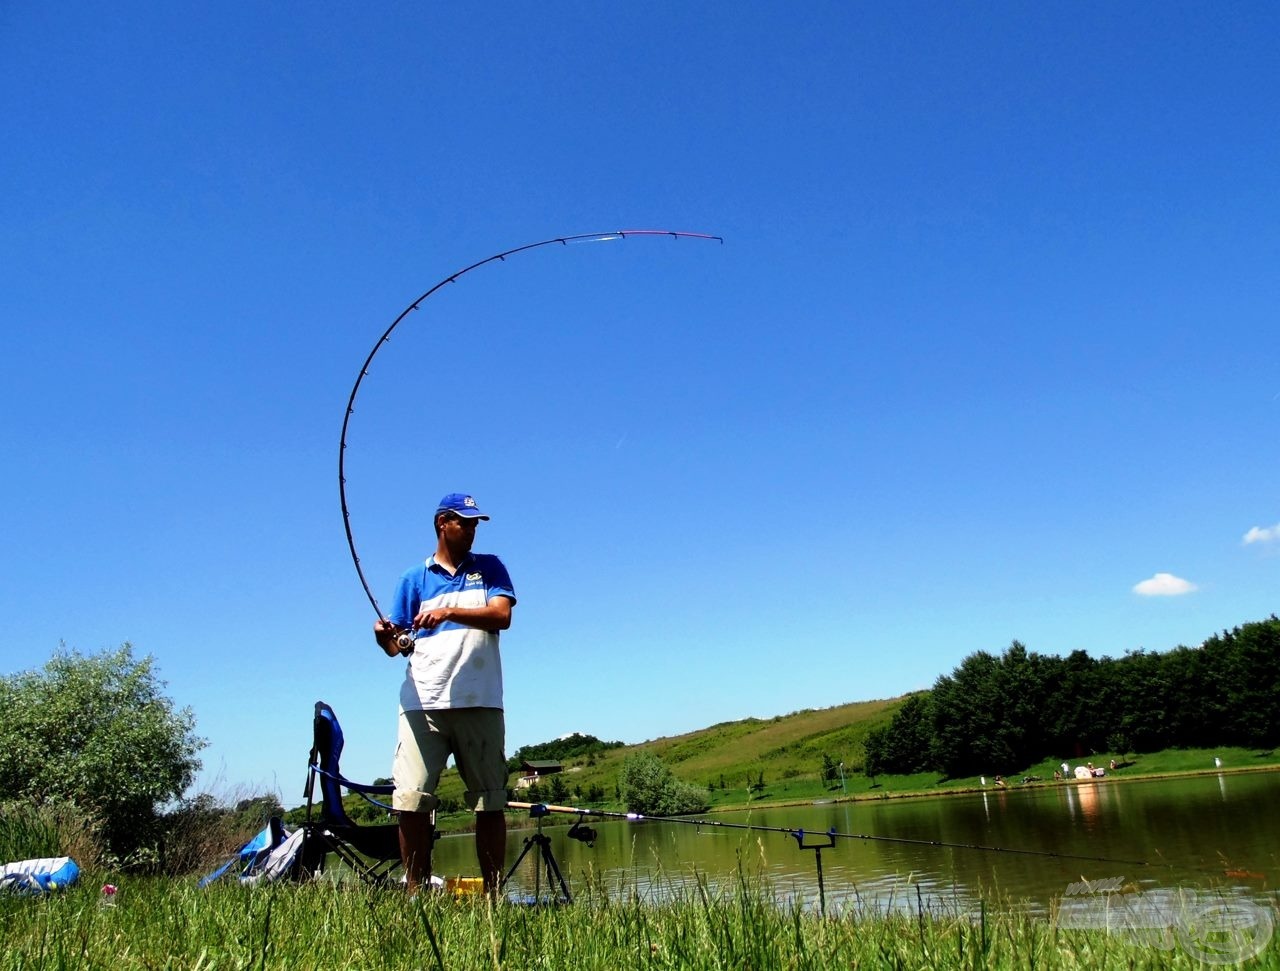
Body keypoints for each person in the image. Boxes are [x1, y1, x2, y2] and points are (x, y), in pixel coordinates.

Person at [373, 492, 516, 893]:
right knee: (411, 802)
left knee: (490, 802)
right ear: (442, 524)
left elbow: (501, 616)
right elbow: (396, 643)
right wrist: (383, 636)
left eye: (475, 524)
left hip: (481, 701)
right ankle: (415, 894)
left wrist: (449, 612)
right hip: (422, 705)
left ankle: (493, 898)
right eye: (464, 522)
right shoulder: (411, 579)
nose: (472, 530)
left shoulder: (490, 568)